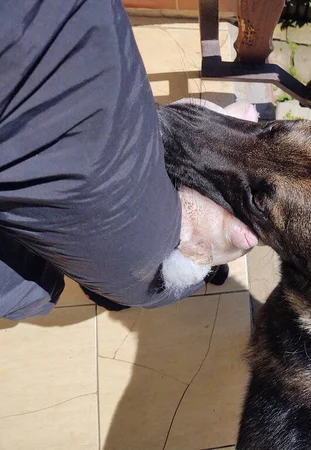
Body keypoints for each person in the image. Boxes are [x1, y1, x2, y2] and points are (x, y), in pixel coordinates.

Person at [0, 0, 258, 320]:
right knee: (38, 287)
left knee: (38, 286)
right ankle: (109, 284)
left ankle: (102, 285)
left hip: (64, 109)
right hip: (83, 33)